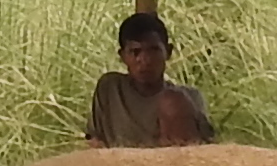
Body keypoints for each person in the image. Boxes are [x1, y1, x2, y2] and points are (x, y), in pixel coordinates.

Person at [88, 10, 213, 147]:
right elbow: (95, 140)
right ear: (122, 56)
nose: (145, 60)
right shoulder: (110, 89)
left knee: (172, 102)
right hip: (119, 165)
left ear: (168, 52)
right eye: (135, 52)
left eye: (154, 50)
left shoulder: (189, 98)